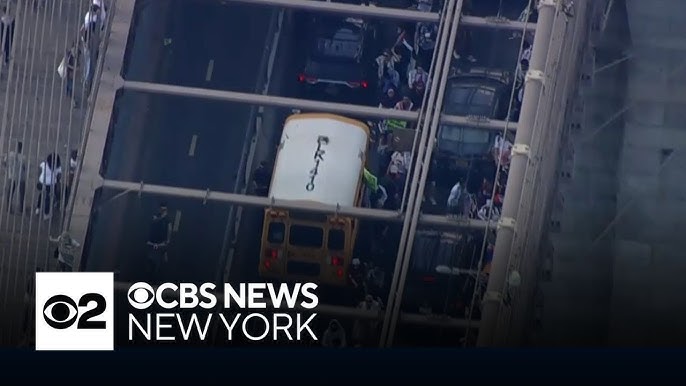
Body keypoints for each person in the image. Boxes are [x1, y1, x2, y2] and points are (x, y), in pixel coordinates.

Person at [146, 203, 172, 283]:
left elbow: (169, 233)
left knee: (158, 264)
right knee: (151, 262)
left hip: (161, 245)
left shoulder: (167, 221)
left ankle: (156, 280)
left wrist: (165, 244)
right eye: (161, 210)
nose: (162, 211)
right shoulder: (155, 218)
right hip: (153, 244)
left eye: (164, 210)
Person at [36, 154, 62, 220]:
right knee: (48, 199)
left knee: (41, 195)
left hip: (42, 183)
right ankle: (46, 214)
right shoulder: (58, 167)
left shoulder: (44, 164)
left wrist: (39, 179)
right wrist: (58, 183)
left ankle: (38, 208)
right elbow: (59, 177)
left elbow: (39, 171)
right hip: (51, 185)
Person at [3, 141, 26, 213]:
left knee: (10, 193)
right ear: (21, 148)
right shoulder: (23, 157)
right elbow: (24, 168)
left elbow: (4, 163)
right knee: (22, 193)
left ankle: (8, 208)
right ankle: (21, 209)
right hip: (20, 177)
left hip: (12, 176)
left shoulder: (9, 154)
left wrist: (7, 170)